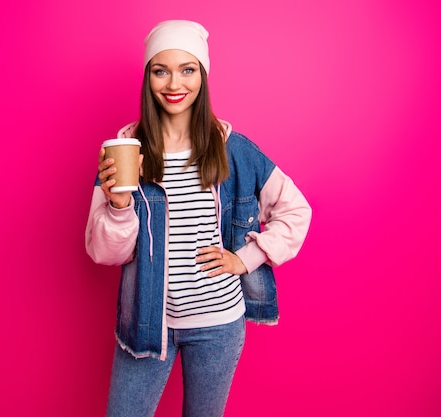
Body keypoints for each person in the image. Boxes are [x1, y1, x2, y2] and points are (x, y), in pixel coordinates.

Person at [85, 20, 312, 417]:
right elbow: (106, 254)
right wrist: (120, 204)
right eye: (161, 70)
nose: (175, 84)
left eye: (187, 69)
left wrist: (246, 258)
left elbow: (296, 210)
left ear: (203, 76)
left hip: (219, 326)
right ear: (148, 77)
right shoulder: (124, 153)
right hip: (146, 323)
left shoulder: (234, 150)